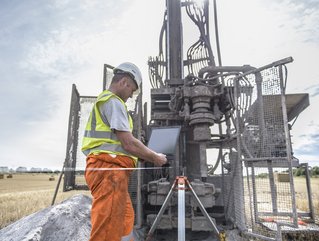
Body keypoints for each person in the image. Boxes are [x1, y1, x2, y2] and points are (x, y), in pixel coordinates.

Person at [81, 62, 167, 241]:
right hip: (108, 171)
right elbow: (128, 143)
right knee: (106, 231)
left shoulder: (108, 102)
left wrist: (140, 156)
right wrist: (154, 157)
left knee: (124, 221)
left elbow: (121, 145)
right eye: (132, 91)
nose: (130, 96)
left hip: (112, 171)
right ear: (125, 83)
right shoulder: (113, 102)